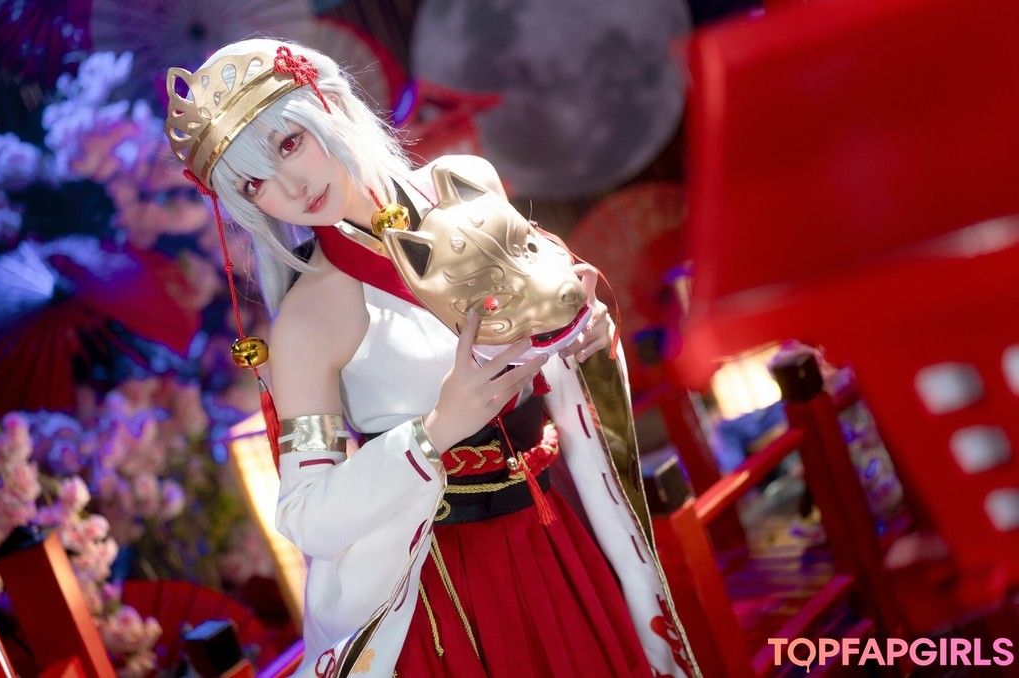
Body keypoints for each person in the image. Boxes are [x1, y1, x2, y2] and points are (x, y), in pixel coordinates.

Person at [165, 37, 697, 678]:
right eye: (256, 184)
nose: (292, 187)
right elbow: (307, 515)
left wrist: (577, 333)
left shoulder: (465, 185)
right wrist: (435, 431)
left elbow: (551, 332)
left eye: (288, 144)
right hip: (455, 583)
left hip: (561, 518)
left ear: (327, 103)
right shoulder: (307, 320)